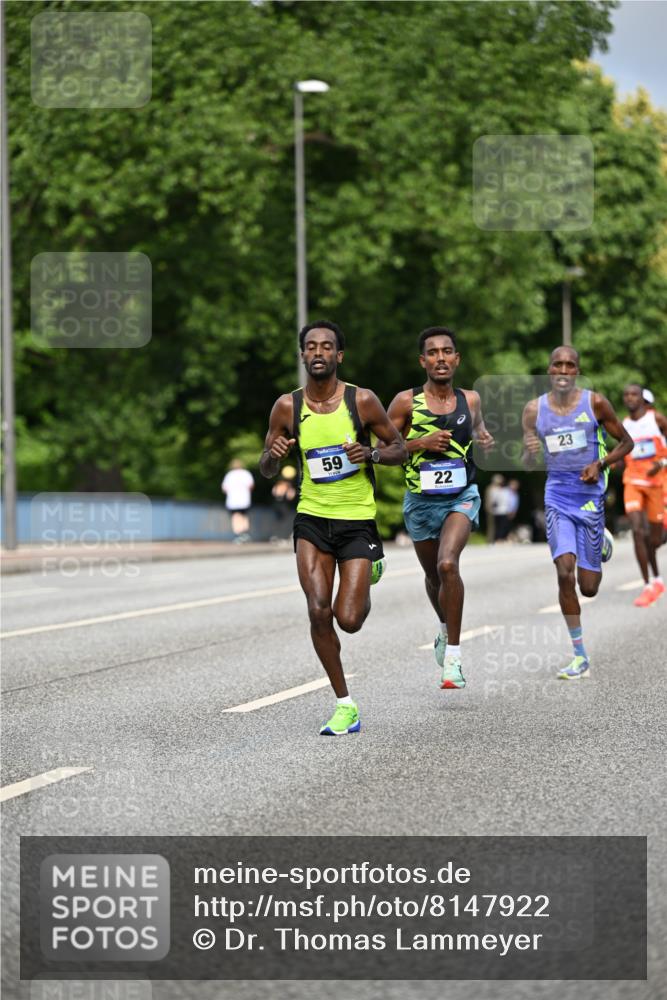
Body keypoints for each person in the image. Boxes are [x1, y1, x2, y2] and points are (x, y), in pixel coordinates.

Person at [259, 320, 406, 736]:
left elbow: (398, 449)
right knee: (318, 610)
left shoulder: (363, 401)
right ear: (302, 355)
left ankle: (368, 572)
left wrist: (370, 454)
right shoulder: (287, 407)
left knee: (349, 619)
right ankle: (345, 704)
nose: (318, 352)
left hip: (357, 520)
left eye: (327, 346)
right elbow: (266, 467)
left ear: (339, 355)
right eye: (311, 346)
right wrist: (273, 455)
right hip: (311, 517)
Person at [386, 326, 494, 691]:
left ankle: (454, 660)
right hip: (420, 502)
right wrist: (421, 443)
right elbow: (382, 449)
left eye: (447, 351)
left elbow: (478, 431)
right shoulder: (405, 402)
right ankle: (445, 628)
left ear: (457, 359)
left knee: (448, 564)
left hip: (461, 495)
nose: (441, 358)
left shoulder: (471, 399)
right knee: (434, 576)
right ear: (423, 361)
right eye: (433, 353)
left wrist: (484, 440)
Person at [522, 346, 633, 680]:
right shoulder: (534, 410)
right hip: (557, 495)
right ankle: (579, 655)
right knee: (564, 572)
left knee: (589, 588)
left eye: (570, 365)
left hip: (589, 497)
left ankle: (602, 542)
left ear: (577, 371)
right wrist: (529, 452)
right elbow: (528, 461)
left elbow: (626, 443)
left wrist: (600, 463)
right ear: (549, 369)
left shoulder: (595, 403)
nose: (563, 370)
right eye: (557, 364)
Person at [620, 383, 667, 606]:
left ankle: (656, 579)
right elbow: (623, 453)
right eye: (627, 395)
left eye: (635, 395)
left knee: (654, 539)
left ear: (642, 399)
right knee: (638, 531)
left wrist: (662, 462)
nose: (631, 398)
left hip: (656, 484)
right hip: (632, 482)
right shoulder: (624, 425)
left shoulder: (657, 419)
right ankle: (649, 583)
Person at [221, 459, 254, 542]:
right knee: (244, 515)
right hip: (245, 499)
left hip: (233, 500)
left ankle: (239, 534)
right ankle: (245, 533)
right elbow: (251, 486)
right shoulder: (246, 474)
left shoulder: (229, 475)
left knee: (235, 516)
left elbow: (224, 488)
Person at [484, 474, 505, 543]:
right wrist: (489, 508)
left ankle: (495, 539)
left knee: (497, 525)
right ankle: (490, 540)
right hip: (491, 509)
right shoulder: (490, 488)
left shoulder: (499, 488)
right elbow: (488, 499)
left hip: (498, 509)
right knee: (491, 525)